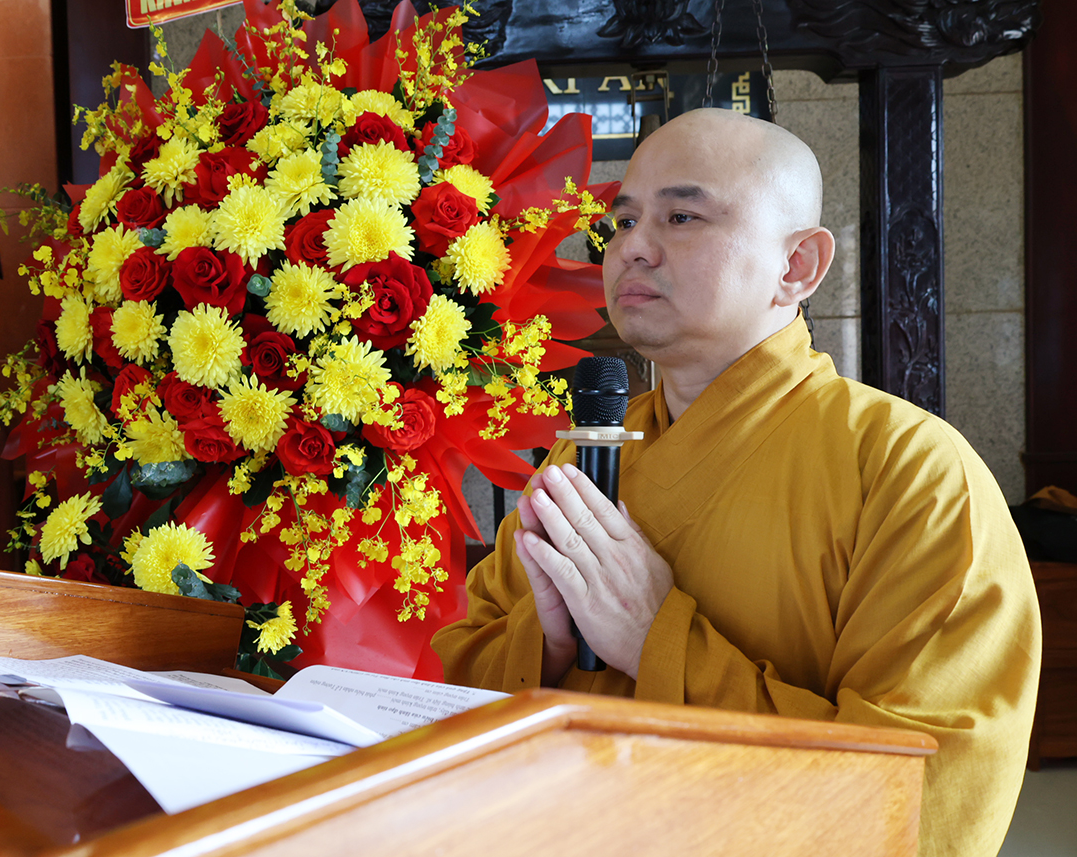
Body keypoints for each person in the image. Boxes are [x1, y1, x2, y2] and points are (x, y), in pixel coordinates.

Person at [431, 108, 1040, 857]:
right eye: (623, 222)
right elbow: (455, 668)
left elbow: (924, 792)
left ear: (798, 265)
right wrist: (548, 641)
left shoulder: (909, 470)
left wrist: (655, 638)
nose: (632, 247)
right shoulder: (582, 456)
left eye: (681, 216)